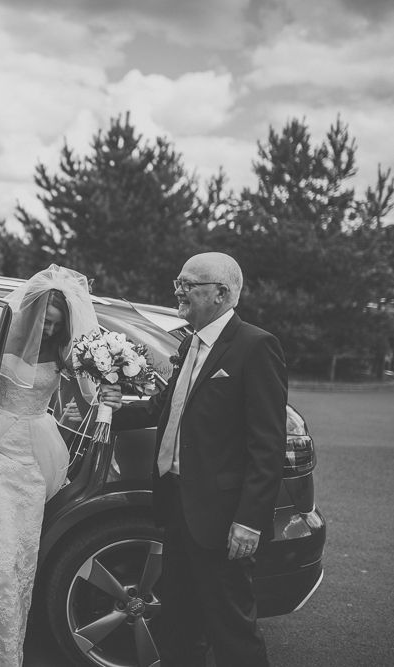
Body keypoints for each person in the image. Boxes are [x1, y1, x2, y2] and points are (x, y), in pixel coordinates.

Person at [102, 252, 287, 667]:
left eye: (188, 284)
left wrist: (249, 521)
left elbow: (267, 445)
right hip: (177, 504)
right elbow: (163, 408)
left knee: (231, 628)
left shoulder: (256, 346)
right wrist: (112, 413)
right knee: (180, 621)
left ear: (220, 293)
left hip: (221, 517)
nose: (178, 291)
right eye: (178, 283)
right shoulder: (190, 342)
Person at [0, 264, 99, 667]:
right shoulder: (0, 335)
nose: (48, 332)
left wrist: (105, 380)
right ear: (33, 312)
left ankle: (5, 653)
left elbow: (88, 398)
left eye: (56, 325)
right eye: (46, 322)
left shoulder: (68, 352)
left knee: (18, 561)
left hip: (34, 460)